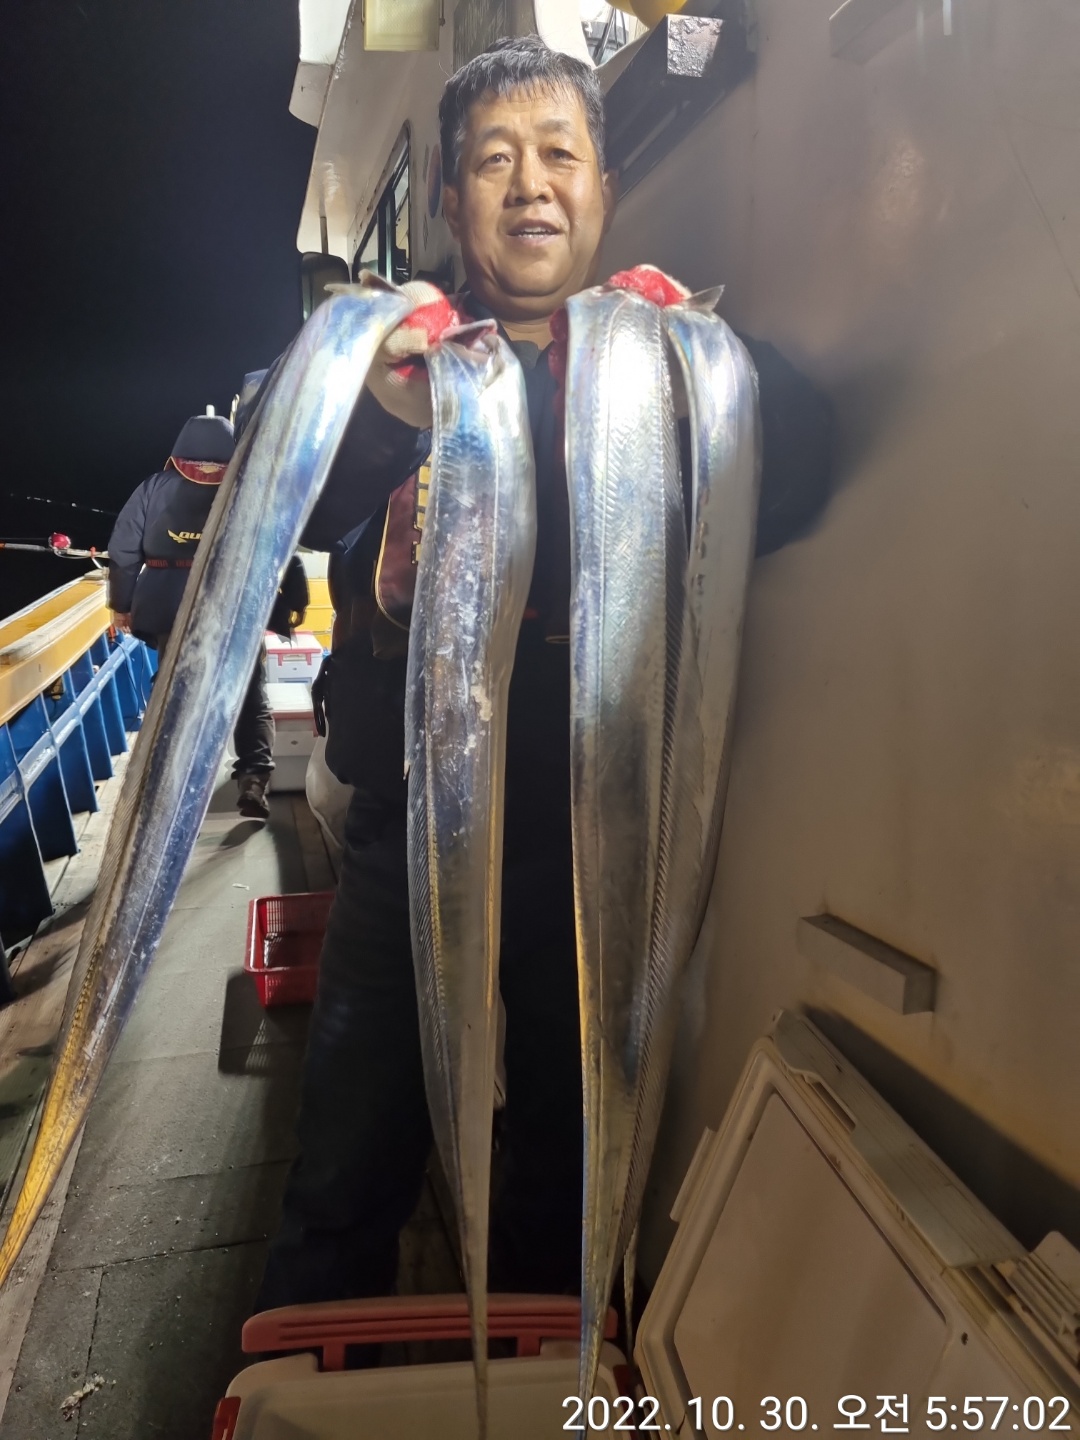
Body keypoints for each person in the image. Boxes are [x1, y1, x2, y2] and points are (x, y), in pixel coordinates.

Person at [254, 36, 832, 1311]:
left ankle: (540, 1362)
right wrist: (382, 447)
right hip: (414, 821)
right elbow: (298, 507)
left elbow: (797, 476)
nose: (530, 185)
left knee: (567, 1154)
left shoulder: (655, 351)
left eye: (559, 155)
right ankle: (305, 1348)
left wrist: (717, 370)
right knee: (347, 1152)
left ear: (602, 189)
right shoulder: (401, 359)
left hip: (588, 825)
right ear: (449, 197)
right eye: (493, 161)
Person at [107, 413, 278, 821]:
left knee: (173, 692)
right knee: (250, 693)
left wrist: (122, 604)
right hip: (235, 602)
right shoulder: (248, 487)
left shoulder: (153, 488)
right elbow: (273, 545)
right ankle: (254, 781)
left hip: (169, 602)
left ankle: (170, 782)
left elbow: (123, 552)